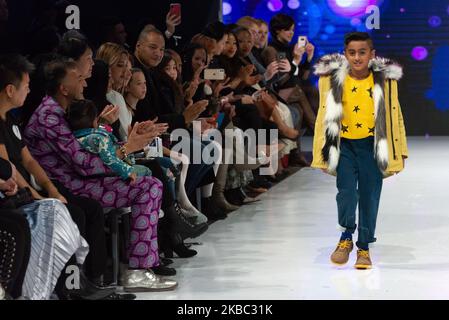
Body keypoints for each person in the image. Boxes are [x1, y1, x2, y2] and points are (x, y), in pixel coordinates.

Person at [23, 57, 178, 291]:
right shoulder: (49, 116)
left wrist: (120, 136)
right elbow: (84, 163)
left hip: (83, 180)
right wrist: (128, 147)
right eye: (79, 79)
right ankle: (136, 271)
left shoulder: (59, 110)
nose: (85, 84)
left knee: (150, 182)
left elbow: (91, 151)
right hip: (72, 185)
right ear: (64, 88)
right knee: (148, 187)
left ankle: (139, 265)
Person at [312, 32, 408, 269]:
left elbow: (394, 114)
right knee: (346, 193)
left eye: (362, 52)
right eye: (352, 53)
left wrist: (400, 151)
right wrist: (321, 154)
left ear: (371, 55)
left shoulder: (384, 80)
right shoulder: (333, 79)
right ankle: (346, 236)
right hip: (343, 145)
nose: (357, 57)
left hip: (373, 146)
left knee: (369, 195)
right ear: (345, 54)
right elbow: (323, 117)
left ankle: (363, 245)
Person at [66, 99, 160, 181]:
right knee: (147, 171)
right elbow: (109, 158)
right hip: (111, 173)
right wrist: (127, 171)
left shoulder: (77, 138)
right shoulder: (99, 138)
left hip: (99, 173)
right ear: (95, 120)